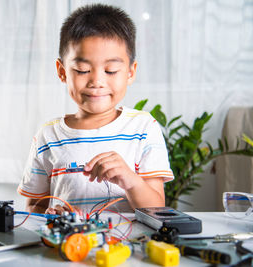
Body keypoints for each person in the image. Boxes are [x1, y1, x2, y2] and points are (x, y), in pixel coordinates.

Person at [17, 4, 174, 215]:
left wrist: (131, 181)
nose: (97, 81)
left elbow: (158, 209)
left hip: (127, 247)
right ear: (62, 72)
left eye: (111, 71)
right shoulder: (48, 135)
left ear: (130, 72)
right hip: (69, 246)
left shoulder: (144, 128)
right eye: (83, 70)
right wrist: (48, 214)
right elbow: (33, 208)